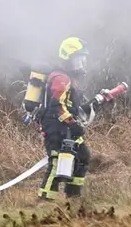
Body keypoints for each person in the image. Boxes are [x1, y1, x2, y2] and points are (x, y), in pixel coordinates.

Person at [35, 36, 116, 201]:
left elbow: (73, 108)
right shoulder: (61, 78)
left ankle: (73, 197)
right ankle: (45, 201)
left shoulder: (70, 80)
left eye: (83, 59)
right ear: (67, 58)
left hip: (67, 128)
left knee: (82, 156)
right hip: (57, 128)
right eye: (79, 59)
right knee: (56, 162)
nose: (82, 63)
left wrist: (97, 102)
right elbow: (57, 105)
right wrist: (71, 123)